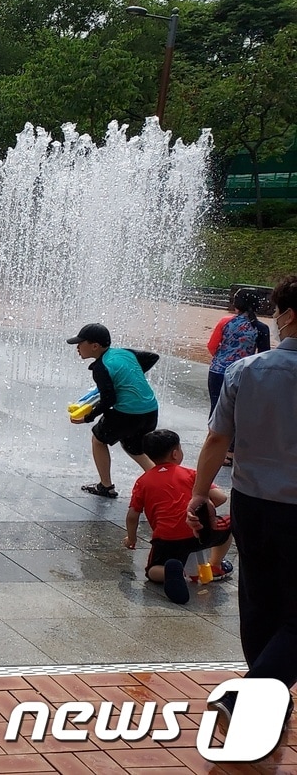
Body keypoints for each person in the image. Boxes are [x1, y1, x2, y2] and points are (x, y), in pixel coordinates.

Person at [187, 275, 297, 725]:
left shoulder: (245, 370)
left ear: (288, 315)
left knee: (258, 599)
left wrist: (198, 494)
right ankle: (255, 693)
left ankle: (259, 691)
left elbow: (217, 438)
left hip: (252, 503)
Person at [124, 430, 231, 605]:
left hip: (167, 539)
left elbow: (132, 515)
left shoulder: (143, 481)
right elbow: (220, 497)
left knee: (152, 570)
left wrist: (131, 538)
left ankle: (171, 571)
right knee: (227, 527)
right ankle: (216, 565)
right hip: (200, 532)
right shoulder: (191, 474)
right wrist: (201, 513)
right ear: (175, 453)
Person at [66, 323, 159, 498]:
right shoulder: (124, 353)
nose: (77, 347)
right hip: (150, 410)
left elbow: (109, 399)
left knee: (98, 440)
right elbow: (152, 357)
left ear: (95, 346)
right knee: (134, 447)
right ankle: (165, 481)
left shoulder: (101, 368)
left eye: (80, 343)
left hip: (128, 413)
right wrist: (130, 375)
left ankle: (106, 486)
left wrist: (88, 417)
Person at [206, 289, 270, 466]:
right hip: (245, 374)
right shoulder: (261, 328)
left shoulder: (226, 322)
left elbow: (212, 346)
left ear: (237, 305)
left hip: (218, 371)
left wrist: (222, 359)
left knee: (216, 408)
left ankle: (213, 445)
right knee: (239, 411)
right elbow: (263, 355)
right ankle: (231, 451)